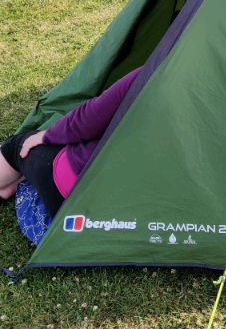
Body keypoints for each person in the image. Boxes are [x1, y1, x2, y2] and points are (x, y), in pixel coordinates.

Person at [0, 68, 142, 219]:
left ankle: (11, 182)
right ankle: (17, 182)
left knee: (14, 147)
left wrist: (47, 135)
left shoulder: (159, 68)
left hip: (77, 193)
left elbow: (89, 120)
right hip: (138, 216)